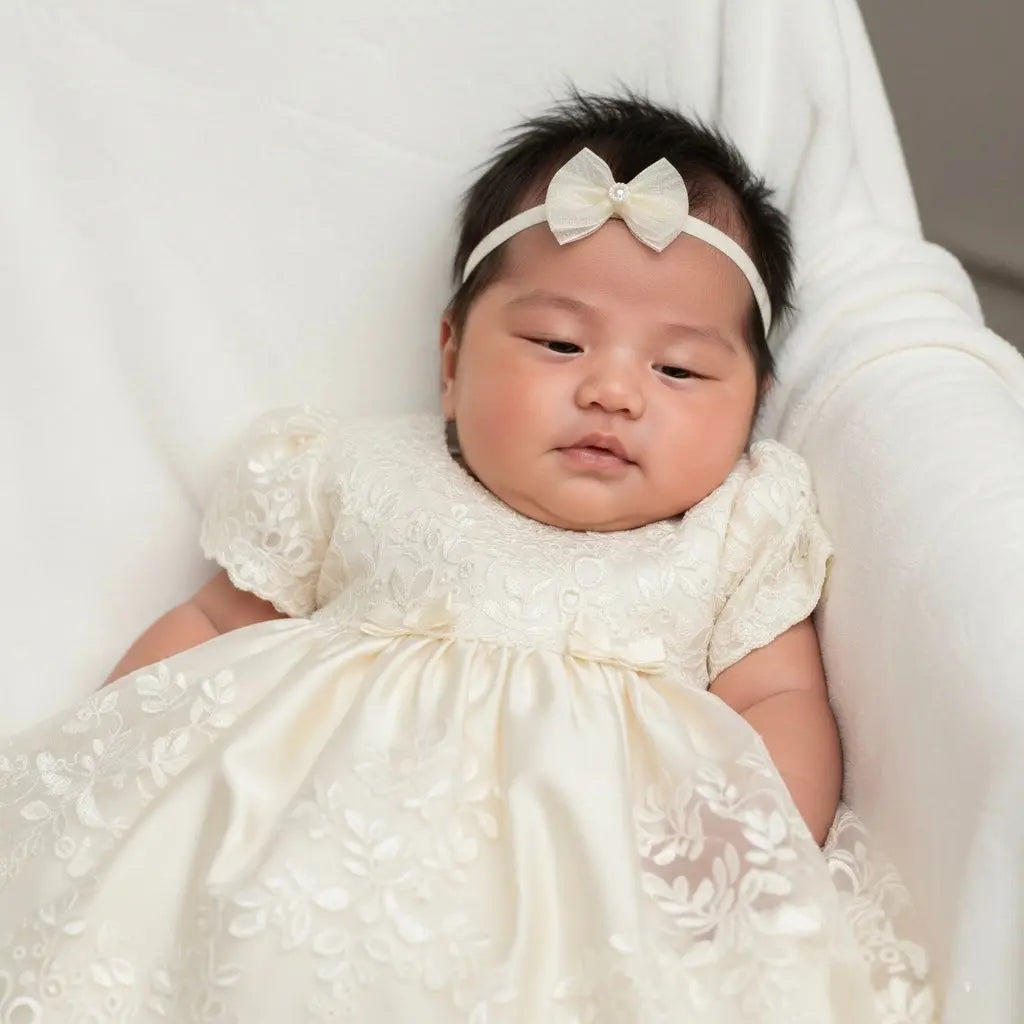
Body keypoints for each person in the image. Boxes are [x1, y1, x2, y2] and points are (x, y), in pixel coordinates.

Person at [0, 93, 932, 1022]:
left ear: (753, 404)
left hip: (599, 886)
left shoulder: (734, 531)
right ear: (451, 360)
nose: (612, 391)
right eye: (559, 343)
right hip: (324, 841)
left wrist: (742, 857)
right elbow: (215, 622)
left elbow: (779, 701)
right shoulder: (357, 470)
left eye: (678, 369)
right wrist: (117, 756)